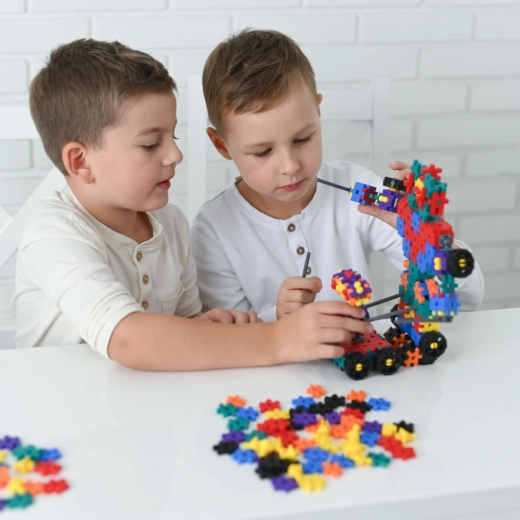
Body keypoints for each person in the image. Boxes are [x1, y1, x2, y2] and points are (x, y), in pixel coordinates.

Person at [13, 39, 373, 371]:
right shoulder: (54, 236)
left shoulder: (170, 223)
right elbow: (128, 338)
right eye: (151, 144)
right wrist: (279, 339)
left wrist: (208, 325)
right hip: (58, 411)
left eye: (173, 136)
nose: (175, 154)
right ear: (80, 162)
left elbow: (183, 326)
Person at [191, 29, 485, 322]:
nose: (289, 166)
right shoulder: (214, 229)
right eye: (262, 152)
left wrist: (425, 234)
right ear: (221, 145)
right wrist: (278, 320)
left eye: (302, 139)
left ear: (318, 112)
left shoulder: (358, 189)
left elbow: (467, 299)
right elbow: (227, 337)